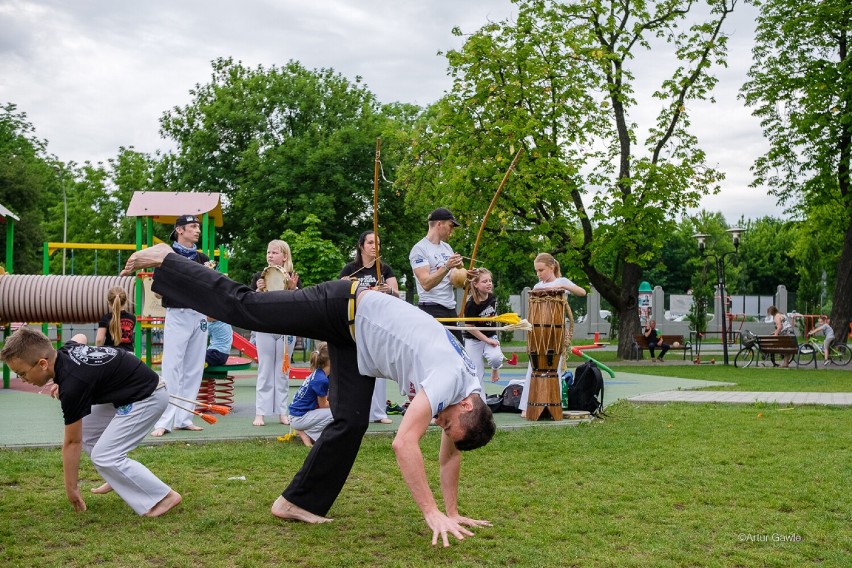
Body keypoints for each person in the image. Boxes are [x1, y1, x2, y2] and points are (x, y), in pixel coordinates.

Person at [121, 244, 496, 547]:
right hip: (340, 305)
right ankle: (170, 260)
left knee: (350, 421)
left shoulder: (469, 393)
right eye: (446, 423)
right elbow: (404, 443)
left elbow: (451, 452)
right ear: (466, 406)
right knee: (248, 307)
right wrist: (431, 513)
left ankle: (296, 502)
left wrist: (452, 510)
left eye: (443, 427)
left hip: (356, 343)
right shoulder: (449, 378)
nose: (439, 424)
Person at [0, 328, 181, 516]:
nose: (22, 379)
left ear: (43, 363)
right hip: (130, 392)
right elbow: (81, 337)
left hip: (147, 397)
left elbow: (72, 443)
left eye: (22, 373)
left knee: (105, 457)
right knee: (88, 433)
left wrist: (71, 490)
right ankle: (117, 474)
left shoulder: (72, 386)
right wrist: (60, 381)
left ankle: (164, 497)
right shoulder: (64, 352)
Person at [151, 214, 214, 437]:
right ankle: (164, 421)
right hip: (177, 313)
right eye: (193, 227)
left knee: (195, 368)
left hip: (199, 315)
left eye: (198, 227)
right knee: (171, 367)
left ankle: (184, 417)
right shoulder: (167, 256)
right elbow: (157, 290)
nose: (197, 230)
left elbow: (211, 288)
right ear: (180, 230)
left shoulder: (202, 258)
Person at [339, 230, 398, 424]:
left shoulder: (385, 269)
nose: (375, 246)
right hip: (356, 323)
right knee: (357, 367)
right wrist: (344, 285)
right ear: (361, 246)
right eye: (371, 242)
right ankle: (357, 411)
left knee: (378, 367)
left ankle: (379, 412)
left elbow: (397, 294)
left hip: (379, 323)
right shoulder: (349, 269)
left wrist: (388, 290)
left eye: (378, 243)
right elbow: (339, 294)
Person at [519, 253, 587, 418]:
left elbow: (582, 292)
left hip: (555, 332)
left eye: (541, 270)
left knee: (554, 369)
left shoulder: (561, 281)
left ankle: (553, 404)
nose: (538, 274)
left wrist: (563, 287)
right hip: (539, 333)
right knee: (533, 369)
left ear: (551, 267)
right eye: (536, 271)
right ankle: (527, 406)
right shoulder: (537, 285)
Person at [250, 240, 301, 426]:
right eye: (268, 252)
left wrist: (293, 289)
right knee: (264, 369)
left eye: (274, 252)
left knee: (282, 371)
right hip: (265, 327)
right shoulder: (259, 276)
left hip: (286, 328)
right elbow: (249, 303)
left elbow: (300, 304)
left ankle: (282, 412)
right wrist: (258, 290)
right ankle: (260, 413)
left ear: (284, 256)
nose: (270, 255)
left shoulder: (293, 276)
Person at [409, 208, 466, 343]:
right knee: (435, 354)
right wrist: (447, 266)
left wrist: (466, 276)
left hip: (450, 308)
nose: (451, 230)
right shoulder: (420, 249)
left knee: (460, 352)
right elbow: (426, 283)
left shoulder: (447, 248)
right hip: (431, 309)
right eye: (450, 226)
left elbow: (453, 280)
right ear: (439, 224)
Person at [462, 268, 504, 401]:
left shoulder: (492, 297)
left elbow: (492, 314)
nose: (489, 284)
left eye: (490, 281)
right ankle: (480, 404)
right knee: (476, 373)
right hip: (473, 340)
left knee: (496, 358)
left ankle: (495, 369)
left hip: (490, 336)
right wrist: (486, 340)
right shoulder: (471, 304)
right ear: (476, 284)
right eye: (484, 281)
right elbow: (469, 327)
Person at [288, 342, 333, 447]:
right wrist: (342, 404)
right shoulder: (321, 380)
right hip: (299, 418)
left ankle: (307, 432)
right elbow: (323, 405)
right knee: (337, 413)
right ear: (330, 361)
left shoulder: (319, 373)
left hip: (296, 415)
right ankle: (310, 433)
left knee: (335, 410)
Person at [96, 286, 136, 351]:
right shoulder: (132, 318)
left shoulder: (106, 318)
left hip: (111, 353)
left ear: (109, 302)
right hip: (128, 354)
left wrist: (99, 351)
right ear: (126, 301)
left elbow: (99, 340)